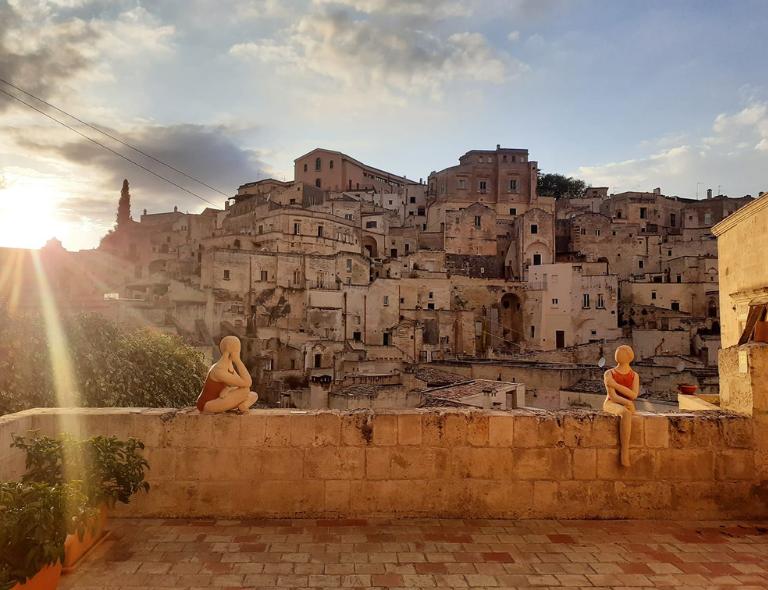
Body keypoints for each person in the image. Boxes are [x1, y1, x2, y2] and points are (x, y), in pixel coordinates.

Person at [196, 336, 259, 414]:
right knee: (245, 391)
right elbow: (248, 382)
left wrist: (228, 389)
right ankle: (238, 406)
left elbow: (241, 383)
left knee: (253, 395)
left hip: (219, 398)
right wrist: (238, 360)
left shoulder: (228, 365)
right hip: (207, 405)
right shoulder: (219, 369)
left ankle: (243, 405)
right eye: (237, 349)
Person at [602, 345, 639, 467]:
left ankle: (625, 450)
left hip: (625, 404)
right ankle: (624, 451)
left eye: (621, 352)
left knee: (626, 412)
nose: (618, 354)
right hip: (611, 404)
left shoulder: (634, 375)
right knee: (625, 413)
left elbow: (633, 395)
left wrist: (616, 385)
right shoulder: (609, 373)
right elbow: (612, 396)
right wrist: (627, 403)